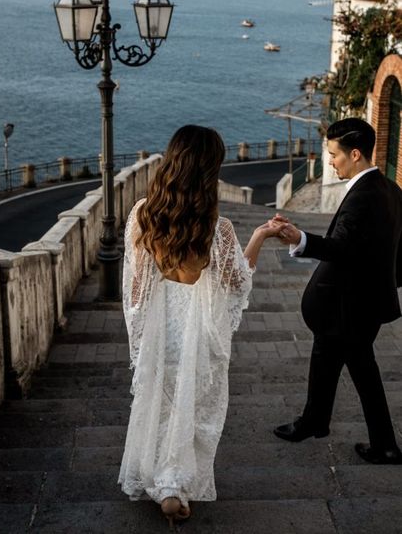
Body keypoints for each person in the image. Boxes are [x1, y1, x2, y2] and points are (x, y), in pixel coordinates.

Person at [118, 125, 280, 527]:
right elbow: (238, 282)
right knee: (192, 408)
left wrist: (140, 342)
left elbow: (135, 291)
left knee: (160, 404)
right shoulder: (217, 229)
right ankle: (175, 485)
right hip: (197, 332)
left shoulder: (142, 215)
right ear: (210, 171)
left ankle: (161, 480)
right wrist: (259, 235)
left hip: (159, 328)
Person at [274, 117, 402, 464]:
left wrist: (299, 239)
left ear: (355, 154)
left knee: (363, 371)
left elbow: (341, 247)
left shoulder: (364, 196)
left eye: (334, 155)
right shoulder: (391, 190)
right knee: (327, 358)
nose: (330, 162)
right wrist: (385, 281)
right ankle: (315, 421)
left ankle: (384, 445)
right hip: (360, 304)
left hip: (350, 306)